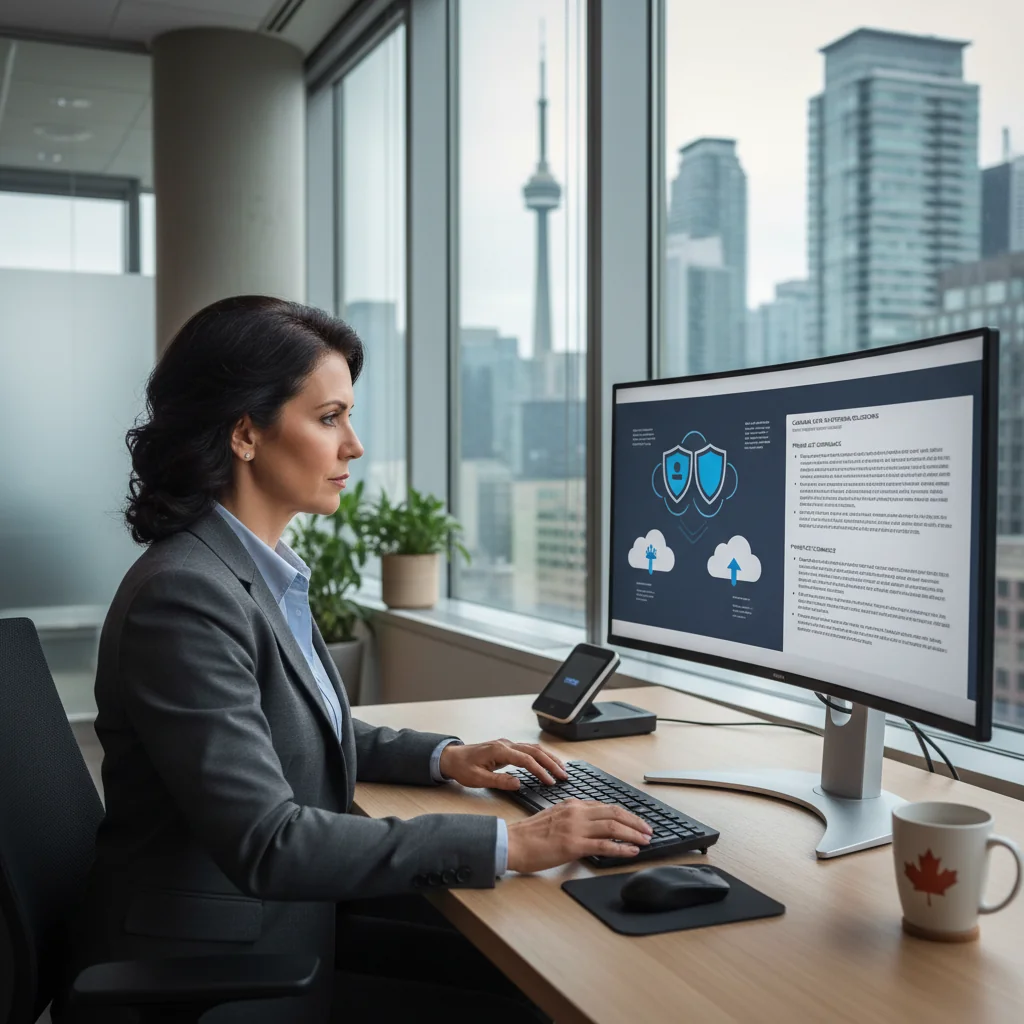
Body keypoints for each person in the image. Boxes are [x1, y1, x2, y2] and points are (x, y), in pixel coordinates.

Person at [51, 295, 652, 1024]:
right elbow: (268, 842)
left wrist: (445, 759)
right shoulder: (186, 596)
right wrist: (514, 840)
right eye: (329, 417)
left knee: (527, 968)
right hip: (218, 970)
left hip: (282, 926)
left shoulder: (250, 569)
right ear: (245, 433)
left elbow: (284, 724)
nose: (354, 445)